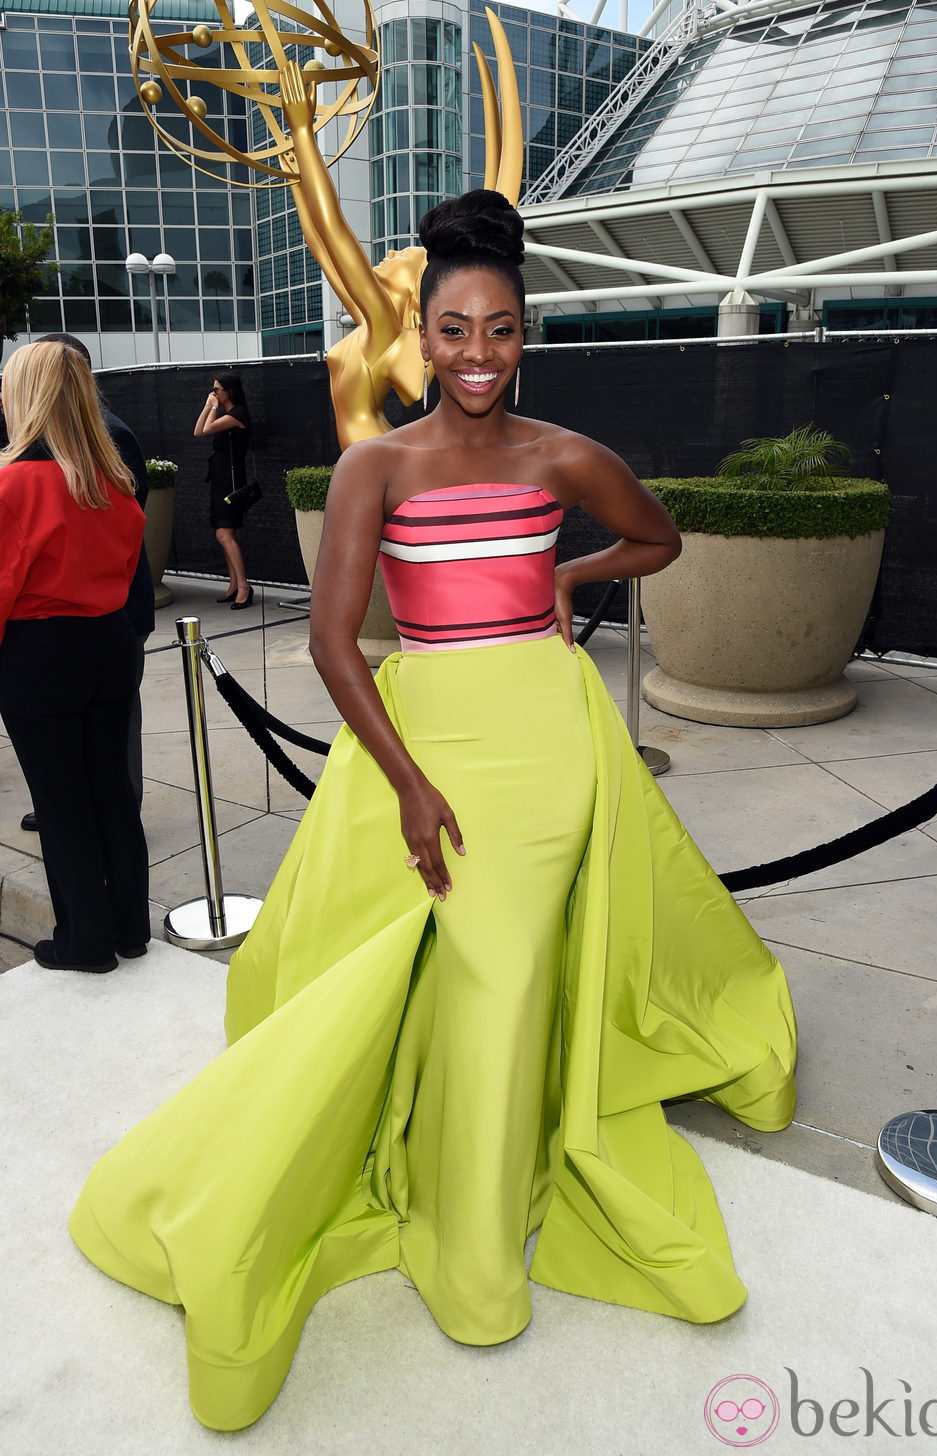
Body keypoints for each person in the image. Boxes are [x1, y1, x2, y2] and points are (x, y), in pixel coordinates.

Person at [70, 192, 797, 1430]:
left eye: (500, 330)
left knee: (505, 969)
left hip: (544, 739)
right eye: (453, 328)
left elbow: (658, 539)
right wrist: (409, 783)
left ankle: (477, 1252)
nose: (475, 354)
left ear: (525, 334)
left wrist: (565, 570)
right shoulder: (376, 464)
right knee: (442, 967)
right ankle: (444, 1209)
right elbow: (333, 640)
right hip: (423, 743)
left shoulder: (563, 457)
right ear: (419, 332)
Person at [0, 341, 150, 972]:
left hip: (41, 654)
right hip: (110, 645)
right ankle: (128, 930)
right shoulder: (112, 481)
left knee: (61, 803)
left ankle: (85, 943)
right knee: (111, 792)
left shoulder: (14, 484)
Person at [17, 334, 154, 834]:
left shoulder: (109, 436)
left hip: (104, 610)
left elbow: (119, 527)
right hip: (89, 616)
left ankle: (118, 804)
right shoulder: (64, 441)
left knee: (114, 745)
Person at [193, 371, 253, 609]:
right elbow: (198, 431)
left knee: (224, 533)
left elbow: (207, 430)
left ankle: (244, 586)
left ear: (229, 391)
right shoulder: (225, 412)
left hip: (231, 480)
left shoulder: (237, 414)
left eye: (217, 389)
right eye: (213, 389)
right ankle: (234, 584)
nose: (213, 393)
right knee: (224, 533)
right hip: (220, 478)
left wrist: (214, 407)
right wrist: (209, 406)